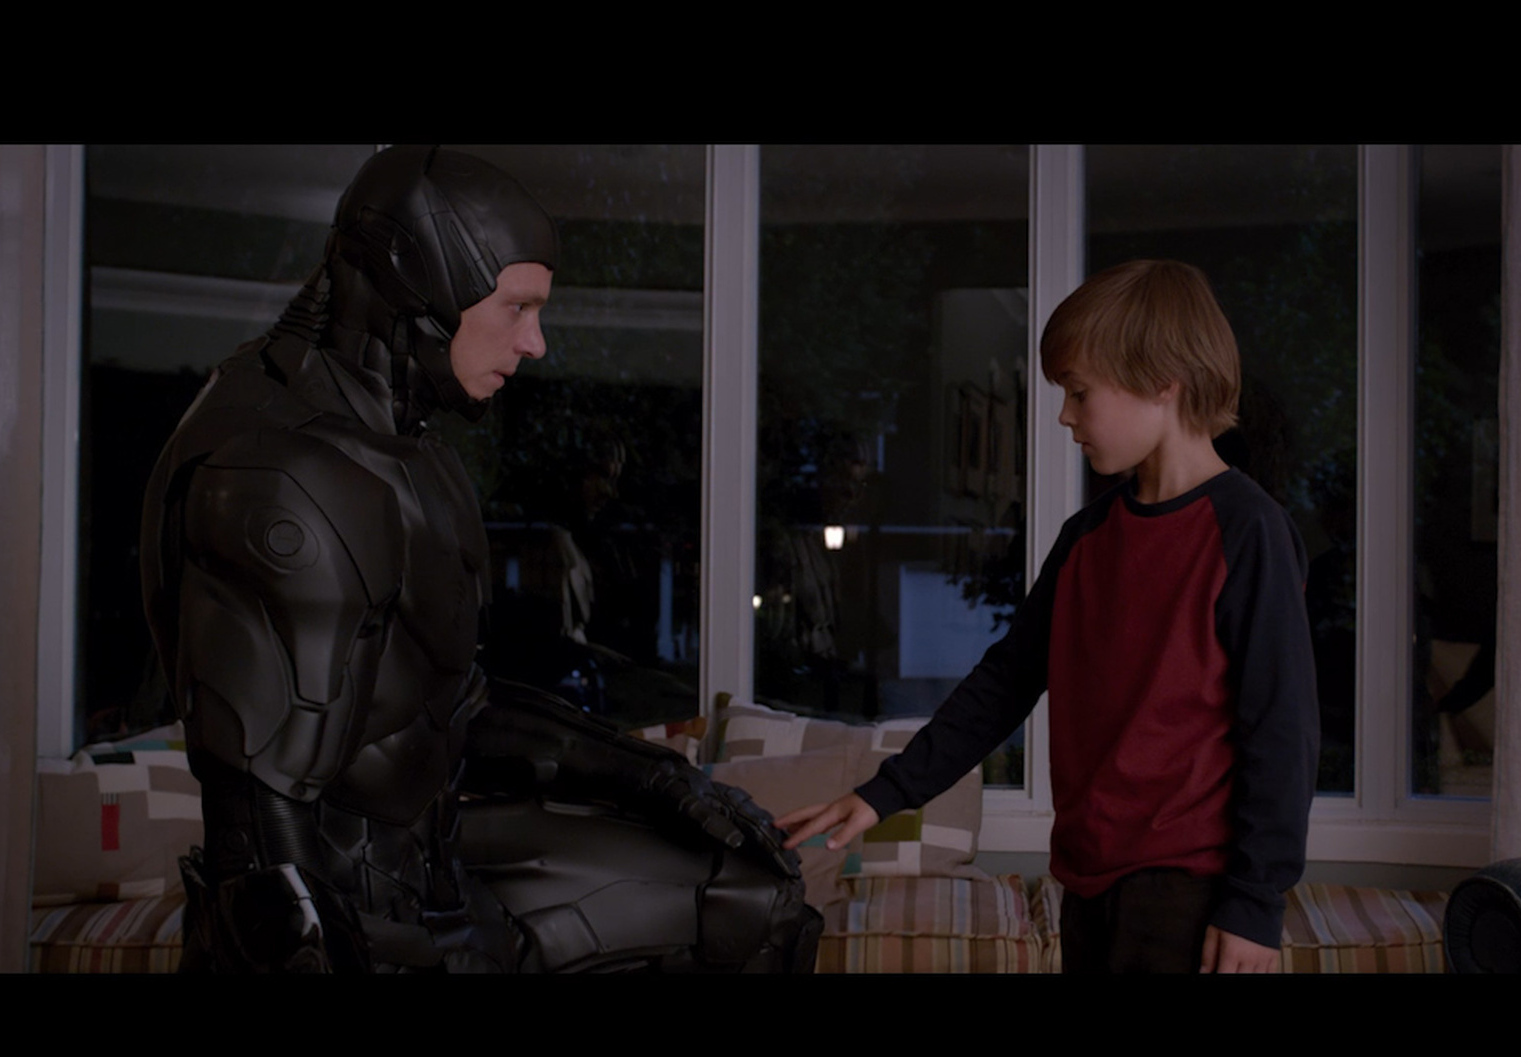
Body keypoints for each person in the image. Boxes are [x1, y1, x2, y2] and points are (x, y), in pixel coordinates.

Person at [140, 145, 817, 972]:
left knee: (753, 894)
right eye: (516, 308)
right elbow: (255, 841)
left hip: (433, 868)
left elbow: (443, 704)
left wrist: (662, 777)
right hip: (353, 922)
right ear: (416, 290)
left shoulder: (409, 452)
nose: (535, 343)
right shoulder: (280, 476)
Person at [779, 259, 1320, 973]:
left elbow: (1280, 728)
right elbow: (1005, 683)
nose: (1065, 414)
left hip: (1188, 892)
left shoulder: (1249, 531)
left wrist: (1254, 901)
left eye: (1079, 392)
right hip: (1088, 882)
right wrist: (884, 795)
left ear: (1163, 381)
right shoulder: (1087, 538)